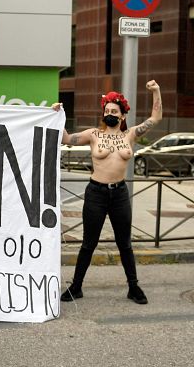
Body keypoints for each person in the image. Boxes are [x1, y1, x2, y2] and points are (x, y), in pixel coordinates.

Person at [53, 80, 162, 304]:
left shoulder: (130, 135)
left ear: (122, 115)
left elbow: (155, 118)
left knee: (125, 243)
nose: (110, 113)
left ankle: (134, 287)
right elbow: (66, 139)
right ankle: (76, 286)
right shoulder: (93, 134)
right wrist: (57, 114)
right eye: (107, 110)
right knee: (88, 244)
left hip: (119, 194)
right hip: (96, 193)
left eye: (114, 111)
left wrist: (156, 91)